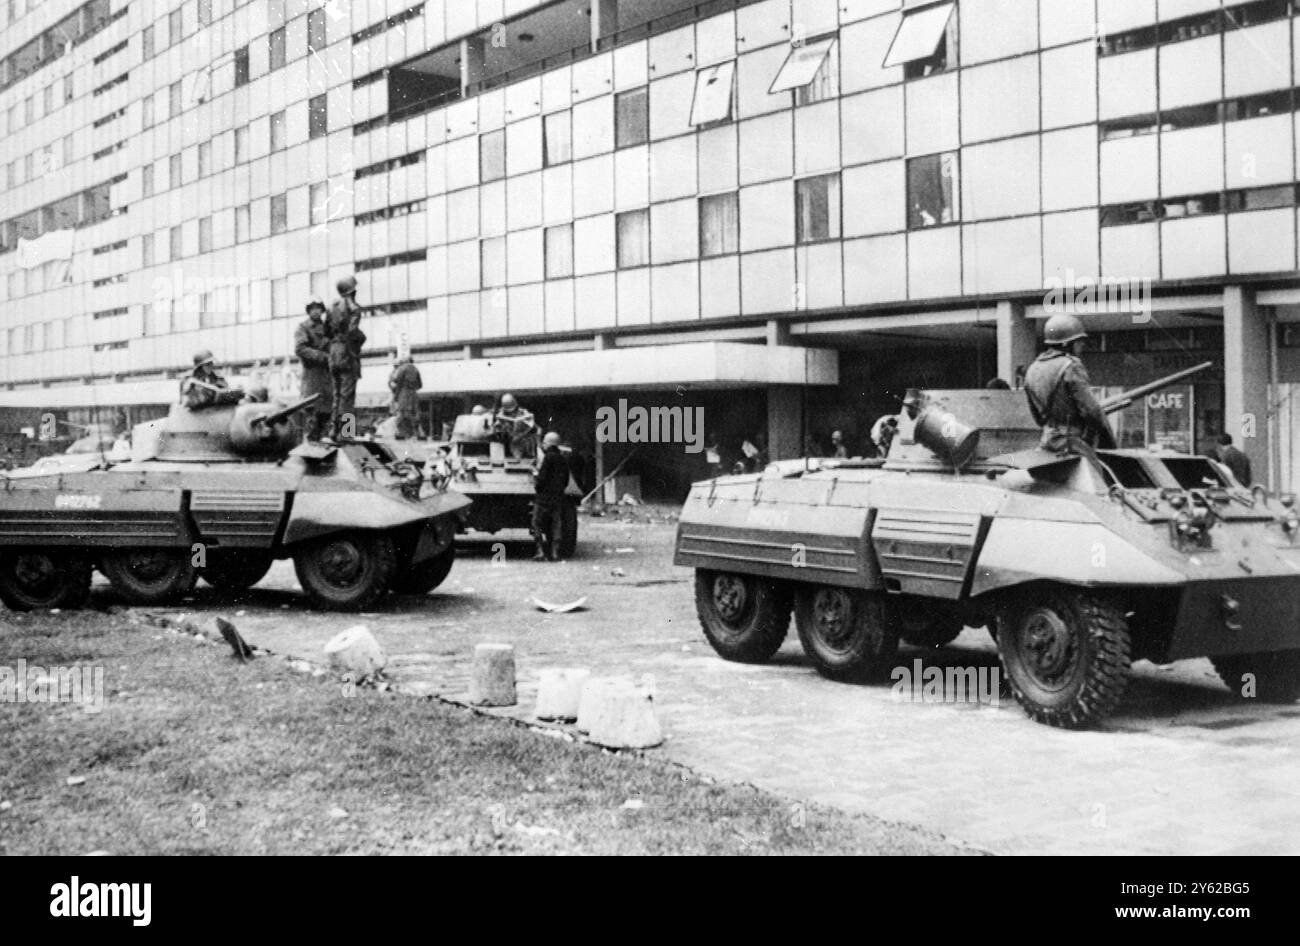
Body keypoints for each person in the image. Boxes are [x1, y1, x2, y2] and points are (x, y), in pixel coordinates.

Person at [1024, 314, 1116, 458]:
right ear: (1067, 344)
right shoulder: (1071, 366)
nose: (1082, 345)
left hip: (1047, 442)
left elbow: (1037, 418)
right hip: (1073, 444)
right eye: (1078, 342)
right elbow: (1091, 411)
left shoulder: (1032, 369)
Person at [326, 275, 366, 438]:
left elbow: (327, 331)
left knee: (337, 394)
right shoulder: (354, 308)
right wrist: (361, 339)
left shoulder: (331, 307)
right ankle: (346, 432)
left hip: (333, 354)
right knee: (347, 396)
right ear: (351, 291)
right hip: (347, 354)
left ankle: (334, 430)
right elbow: (352, 332)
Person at [294, 296, 333, 441]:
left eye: (318, 308)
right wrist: (323, 356)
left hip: (327, 379)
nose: (316, 312)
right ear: (308, 311)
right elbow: (300, 349)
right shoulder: (303, 328)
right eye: (312, 309)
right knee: (312, 417)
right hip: (312, 377)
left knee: (327, 416)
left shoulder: (328, 328)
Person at [532, 431, 568, 562]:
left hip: (543, 498)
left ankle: (540, 551)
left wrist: (537, 484)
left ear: (548, 444)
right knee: (556, 524)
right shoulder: (562, 458)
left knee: (536, 523)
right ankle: (554, 553)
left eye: (545, 443)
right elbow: (566, 480)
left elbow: (542, 478)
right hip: (557, 498)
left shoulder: (548, 457)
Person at [180, 350, 244, 411]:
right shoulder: (189, 380)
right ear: (199, 367)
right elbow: (186, 402)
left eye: (211, 363)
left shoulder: (217, 377)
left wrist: (236, 393)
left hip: (215, 412)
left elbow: (226, 392)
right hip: (195, 414)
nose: (211, 366)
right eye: (207, 364)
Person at [388, 354, 423, 440]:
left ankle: (400, 433)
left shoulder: (402, 369)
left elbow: (397, 382)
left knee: (401, 412)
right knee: (414, 413)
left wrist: (396, 396)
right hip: (413, 393)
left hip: (404, 393)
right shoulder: (416, 369)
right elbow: (420, 385)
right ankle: (416, 433)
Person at [494, 393, 538, 459]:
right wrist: (500, 429)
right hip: (510, 443)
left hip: (523, 442)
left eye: (513, 411)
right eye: (508, 412)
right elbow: (498, 431)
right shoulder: (501, 415)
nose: (511, 413)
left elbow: (533, 428)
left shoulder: (524, 413)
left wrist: (521, 435)